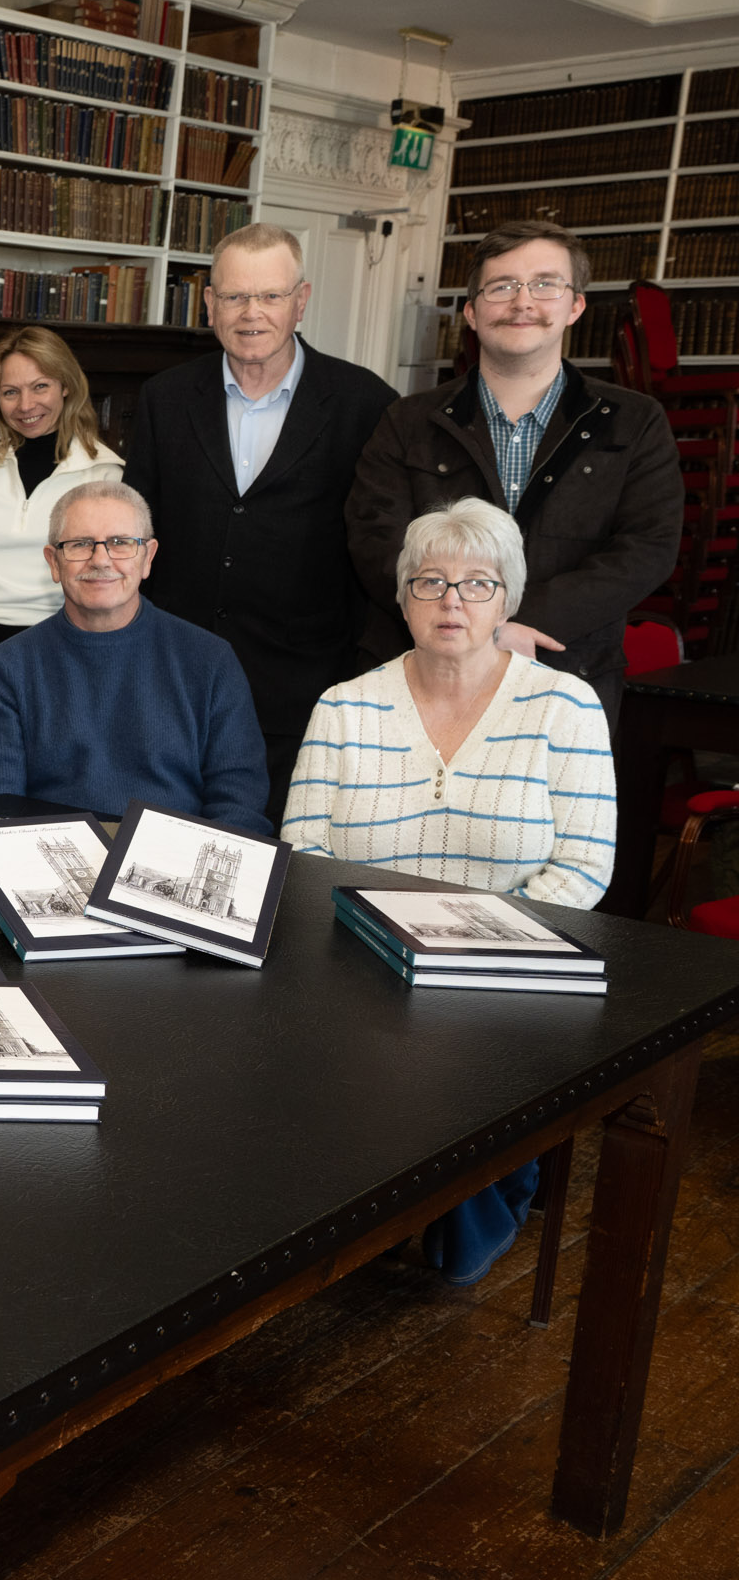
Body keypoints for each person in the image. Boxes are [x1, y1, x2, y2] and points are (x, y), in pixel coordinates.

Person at [285, 499, 612, 1285]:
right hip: (362, 958)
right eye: (429, 583)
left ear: (510, 599)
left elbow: (584, 867)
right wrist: (384, 947)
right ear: (401, 601)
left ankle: (455, 1202)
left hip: (509, 969)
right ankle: (399, 1206)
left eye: (477, 584)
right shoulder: (345, 706)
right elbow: (302, 850)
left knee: (449, 1058)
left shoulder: (564, 707)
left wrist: (474, 954)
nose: (452, 601)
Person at [346, 219, 682, 728]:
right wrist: (471, 626)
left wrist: (523, 624)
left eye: (545, 284)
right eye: (502, 286)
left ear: (575, 306)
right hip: (418, 676)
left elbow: (648, 547)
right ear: (473, 313)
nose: (523, 302)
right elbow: (376, 537)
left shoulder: (635, 422)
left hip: (567, 675)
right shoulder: (407, 419)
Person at [124, 223, 398, 814]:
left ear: (301, 301)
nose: (252, 313)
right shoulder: (165, 397)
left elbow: (379, 545)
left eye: (270, 296)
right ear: (209, 303)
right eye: (234, 296)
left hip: (303, 685)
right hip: (176, 677)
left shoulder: (365, 403)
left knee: (274, 863)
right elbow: (137, 529)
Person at [0, 480, 271, 835]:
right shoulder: (6, 669)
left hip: (176, 872)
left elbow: (239, 805)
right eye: (80, 544)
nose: (101, 559)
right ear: (54, 562)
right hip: (49, 872)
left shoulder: (210, 661)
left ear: (147, 557)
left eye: (121, 543)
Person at [0, 325, 122, 761]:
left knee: (51, 788)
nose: (26, 405)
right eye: (10, 392)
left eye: (40, 387)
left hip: (61, 656)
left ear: (66, 386)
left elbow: (112, 579)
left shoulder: (105, 474)